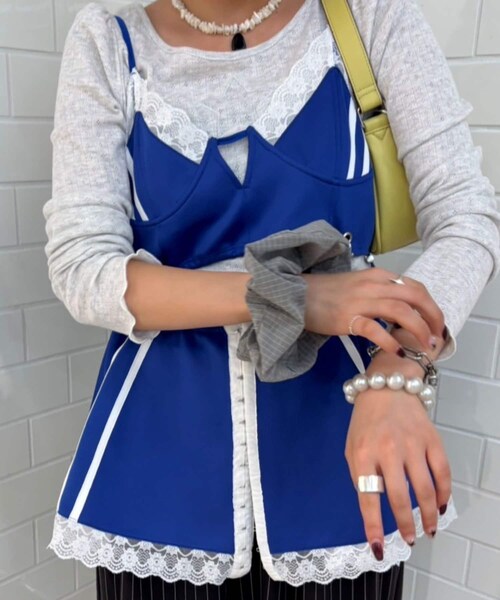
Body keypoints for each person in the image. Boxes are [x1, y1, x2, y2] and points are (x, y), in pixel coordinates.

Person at [42, 0, 500, 598]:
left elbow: (467, 218)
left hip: (342, 447)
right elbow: (82, 266)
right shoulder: (108, 39)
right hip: (160, 467)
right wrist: (290, 296)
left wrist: (398, 372)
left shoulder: (369, 18)